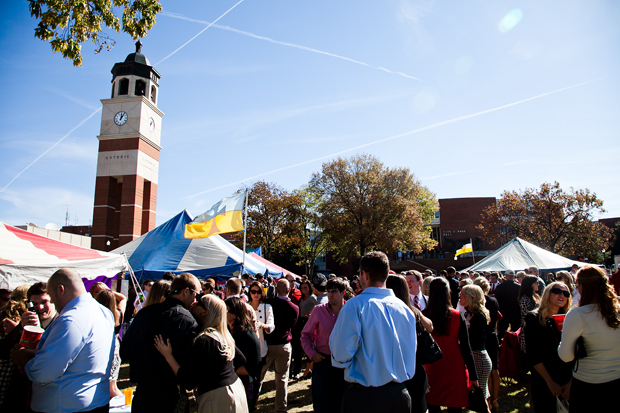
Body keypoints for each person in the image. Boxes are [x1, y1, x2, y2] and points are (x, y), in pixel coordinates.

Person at [11, 268, 115, 413]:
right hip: (93, 402)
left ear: (61, 289)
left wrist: (24, 359)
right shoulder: (104, 312)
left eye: (51, 295)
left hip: (66, 407)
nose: (53, 301)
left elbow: (44, 372)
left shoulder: (71, 319)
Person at [330, 251, 417, 413]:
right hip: (399, 395)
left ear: (364, 275)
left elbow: (340, 354)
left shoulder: (354, 306)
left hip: (366, 397)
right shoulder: (405, 309)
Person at [121, 272, 202, 413]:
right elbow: (189, 375)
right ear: (186, 291)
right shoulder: (188, 321)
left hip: (143, 395)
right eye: (196, 294)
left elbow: (124, 352)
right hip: (169, 398)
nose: (196, 299)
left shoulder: (144, 314)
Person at [155, 294, 249, 413]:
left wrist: (168, 355)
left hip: (217, 396)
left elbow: (187, 380)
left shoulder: (204, 340)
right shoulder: (222, 335)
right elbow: (241, 360)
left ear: (205, 312)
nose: (194, 302)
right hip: (235, 389)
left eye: (199, 302)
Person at [558, 265, 620, 412]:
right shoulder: (617, 310)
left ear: (582, 286)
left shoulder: (577, 315)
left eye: (577, 285)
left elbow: (565, 356)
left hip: (589, 385)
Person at [425, 277, 479, 413]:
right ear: (447, 293)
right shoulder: (456, 316)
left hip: (432, 366)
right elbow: (466, 348)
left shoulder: (425, 315)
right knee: (455, 408)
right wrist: (474, 376)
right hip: (453, 365)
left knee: (433, 407)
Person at [386, 274, 433, 413]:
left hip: (396, 369)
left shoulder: (388, 312)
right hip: (415, 367)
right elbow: (430, 327)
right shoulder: (411, 311)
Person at [523, 282, 573, 412]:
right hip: (544, 379)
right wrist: (549, 382)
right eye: (557, 291)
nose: (561, 295)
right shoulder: (533, 318)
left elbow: (577, 352)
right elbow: (533, 354)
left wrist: (570, 383)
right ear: (547, 293)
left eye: (566, 293)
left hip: (568, 378)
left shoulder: (571, 318)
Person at [301, 278, 347, 413]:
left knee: (341, 404)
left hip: (344, 364)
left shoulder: (350, 311)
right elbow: (305, 335)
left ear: (343, 293)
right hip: (323, 362)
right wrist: (312, 354)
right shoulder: (318, 311)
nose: (330, 295)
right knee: (322, 405)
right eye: (328, 291)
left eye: (334, 291)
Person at [260, 279, 299, 412]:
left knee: (259, 376)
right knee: (282, 379)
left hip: (268, 344)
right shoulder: (294, 308)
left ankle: (250, 402)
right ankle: (281, 408)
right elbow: (292, 325)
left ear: (277, 290)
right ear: (289, 290)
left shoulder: (269, 303)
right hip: (283, 345)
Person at [460, 284, 492, 413]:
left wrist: (466, 327)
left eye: (462, 293)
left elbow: (475, 340)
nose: (459, 296)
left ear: (470, 297)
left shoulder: (478, 316)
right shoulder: (472, 313)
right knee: (481, 397)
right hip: (478, 357)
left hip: (478, 357)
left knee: (480, 399)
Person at [225, 297, 261, 410]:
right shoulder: (227, 330)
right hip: (230, 382)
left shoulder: (247, 336)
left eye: (226, 310)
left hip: (244, 384)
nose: (223, 313)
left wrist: (228, 369)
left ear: (235, 314)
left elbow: (253, 368)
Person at [473, 277, 501, 413]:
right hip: (493, 335)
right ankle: (494, 400)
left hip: (485, 338)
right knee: (495, 369)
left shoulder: (476, 304)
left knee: (488, 372)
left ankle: (488, 400)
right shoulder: (493, 301)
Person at [95, 289, 124, 398]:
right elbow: (123, 298)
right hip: (115, 347)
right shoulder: (118, 313)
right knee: (112, 385)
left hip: (104, 349)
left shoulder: (97, 315)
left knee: (111, 388)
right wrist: (111, 292)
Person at [291, 280, 317, 380]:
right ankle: (297, 370)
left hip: (308, 322)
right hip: (300, 323)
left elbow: (318, 308)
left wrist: (311, 316)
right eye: (302, 288)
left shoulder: (312, 298)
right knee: (298, 346)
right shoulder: (302, 298)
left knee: (308, 346)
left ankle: (308, 369)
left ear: (309, 288)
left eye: (305, 288)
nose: (303, 290)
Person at [494, 270, 521, 340]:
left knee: (502, 332)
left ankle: (501, 347)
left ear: (505, 276)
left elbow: (497, 299)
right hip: (515, 312)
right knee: (515, 332)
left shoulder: (500, 287)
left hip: (504, 312)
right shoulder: (519, 287)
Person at [518, 275, 540, 354]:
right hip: (529, 332)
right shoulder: (525, 299)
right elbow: (525, 316)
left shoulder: (534, 296)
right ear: (530, 284)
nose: (538, 284)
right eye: (536, 282)